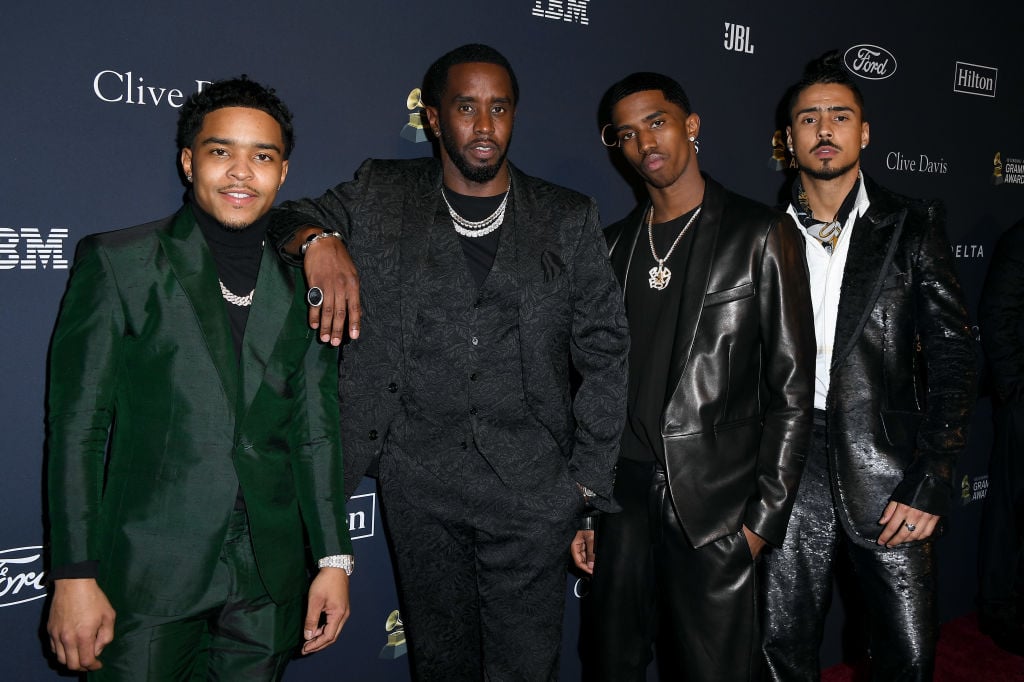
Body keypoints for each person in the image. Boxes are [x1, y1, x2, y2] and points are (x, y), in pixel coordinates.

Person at [269, 44, 629, 680]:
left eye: (499, 108)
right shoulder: (383, 190)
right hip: (420, 490)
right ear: (434, 118)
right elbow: (289, 217)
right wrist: (320, 243)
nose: (484, 127)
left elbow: (605, 354)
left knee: (525, 669)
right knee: (440, 665)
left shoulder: (567, 217)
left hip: (534, 491)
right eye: (466, 108)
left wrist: (583, 487)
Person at [44, 77, 353, 680]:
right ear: (189, 162)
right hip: (148, 574)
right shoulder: (120, 263)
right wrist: (74, 574)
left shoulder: (304, 283)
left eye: (262, 156)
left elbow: (317, 430)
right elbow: (77, 428)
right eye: (221, 152)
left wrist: (334, 559)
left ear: (283, 173)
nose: (242, 173)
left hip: (269, 577)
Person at [572, 72, 815, 681]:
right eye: (625, 134)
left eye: (656, 122)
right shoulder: (610, 247)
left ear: (691, 125)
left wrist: (764, 520)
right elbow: (589, 387)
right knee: (611, 663)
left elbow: (792, 390)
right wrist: (584, 508)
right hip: (620, 495)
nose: (644, 143)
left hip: (715, 504)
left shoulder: (760, 233)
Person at [761, 51, 977, 680]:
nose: (824, 129)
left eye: (839, 115)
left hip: (889, 470)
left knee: (905, 655)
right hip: (785, 463)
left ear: (864, 132)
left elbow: (954, 356)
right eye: (808, 118)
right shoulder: (758, 231)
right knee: (779, 648)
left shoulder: (912, 223)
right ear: (788, 138)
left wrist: (932, 476)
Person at [977, 218, 1024, 654]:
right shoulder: (1020, 239)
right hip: (1022, 407)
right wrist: (1014, 392)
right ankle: (998, 610)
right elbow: (998, 316)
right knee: (1009, 509)